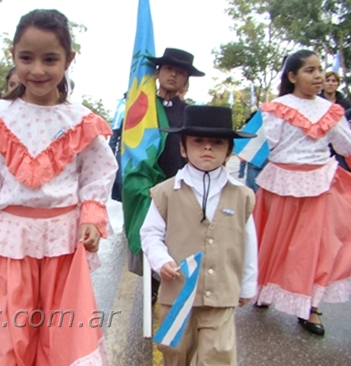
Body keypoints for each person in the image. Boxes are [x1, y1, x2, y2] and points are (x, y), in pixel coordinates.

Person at [0, 9, 116, 365]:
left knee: (63, 332)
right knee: (5, 332)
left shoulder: (81, 122)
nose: (37, 70)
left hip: (64, 243)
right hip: (11, 239)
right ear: (13, 56)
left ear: (69, 60)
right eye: (26, 58)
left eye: (50, 59)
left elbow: (97, 174)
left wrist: (90, 218)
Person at [141, 105, 258, 365]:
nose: (207, 148)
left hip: (222, 294)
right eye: (198, 141)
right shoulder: (165, 192)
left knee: (217, 355)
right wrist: (161, 260)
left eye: (217, 142)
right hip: (178, 292)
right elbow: (150, 234)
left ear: (229, 151)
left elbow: (248, 242)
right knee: (175, 352)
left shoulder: (242, 195)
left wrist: (248, 284)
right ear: (183, 148)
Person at [254, 50, 351, 336]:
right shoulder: (275, 108)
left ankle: (311, 307)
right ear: (292, 76)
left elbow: (346, 145)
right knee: (274, 242)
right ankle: (265, 290)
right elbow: (258, 147)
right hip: (282, 184)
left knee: (318, 248)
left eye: (320, 69)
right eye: (310, 70)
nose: (319, 75)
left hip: (321, 184)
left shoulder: (331, 111)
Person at [125, 48, 205, 306]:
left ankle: (176, 292)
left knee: (178, 242)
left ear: (186, 81)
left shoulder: (190, 114)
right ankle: (152, 289)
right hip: (147, 188)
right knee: (151, 240)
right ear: (158, 72)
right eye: (169, 69)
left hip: (179, 188)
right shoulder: (141, 108)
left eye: (181, 73)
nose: (174, 75)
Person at [319, 71, 351, 170]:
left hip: (341, 145)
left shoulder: (345, 103)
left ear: (337, 84)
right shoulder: (316, 102)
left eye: (333, 81)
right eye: (327, 80)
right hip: (323, 145)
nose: (330, 83)